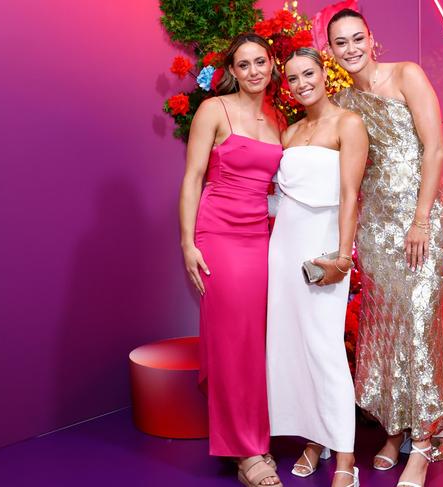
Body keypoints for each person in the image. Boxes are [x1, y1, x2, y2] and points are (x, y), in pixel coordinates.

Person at [327, 9, 443, 487]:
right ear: (331, 51)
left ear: (371, 39)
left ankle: (421, 447)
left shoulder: (408, 75)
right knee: (386, 333)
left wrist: (421, 220)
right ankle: (394, 430)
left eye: (357, 38)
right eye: (340, 43)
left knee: (419, 328)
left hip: (421, 222)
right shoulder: (344, 101)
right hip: (376, 229)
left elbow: (435, 149)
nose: (351, 48)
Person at [178, 32, 284, 487]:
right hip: (219, 233)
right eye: (244, 65)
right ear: (232, 72)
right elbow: (192, 178)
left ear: (271, 65)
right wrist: (187, 243)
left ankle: (252, 438)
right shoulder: (213, 111)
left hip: (260, 235)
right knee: (233, 339)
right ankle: (245, 452)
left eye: (260, 62)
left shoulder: (278, 118)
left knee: (253, 340)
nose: (254, 71)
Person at [266, 47, 368, 487]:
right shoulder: (289, 133)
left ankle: (345, 457)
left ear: (325, 75)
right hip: (284, 246)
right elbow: (281, 197)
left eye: (308, 73)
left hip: (324, 248)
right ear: (285, 87)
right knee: (293, 348)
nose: (302, 83)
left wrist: (343, 256)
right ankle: (313, 440)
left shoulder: (349, 123)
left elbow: (350, 195)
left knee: (325, 351)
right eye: (292, 78)